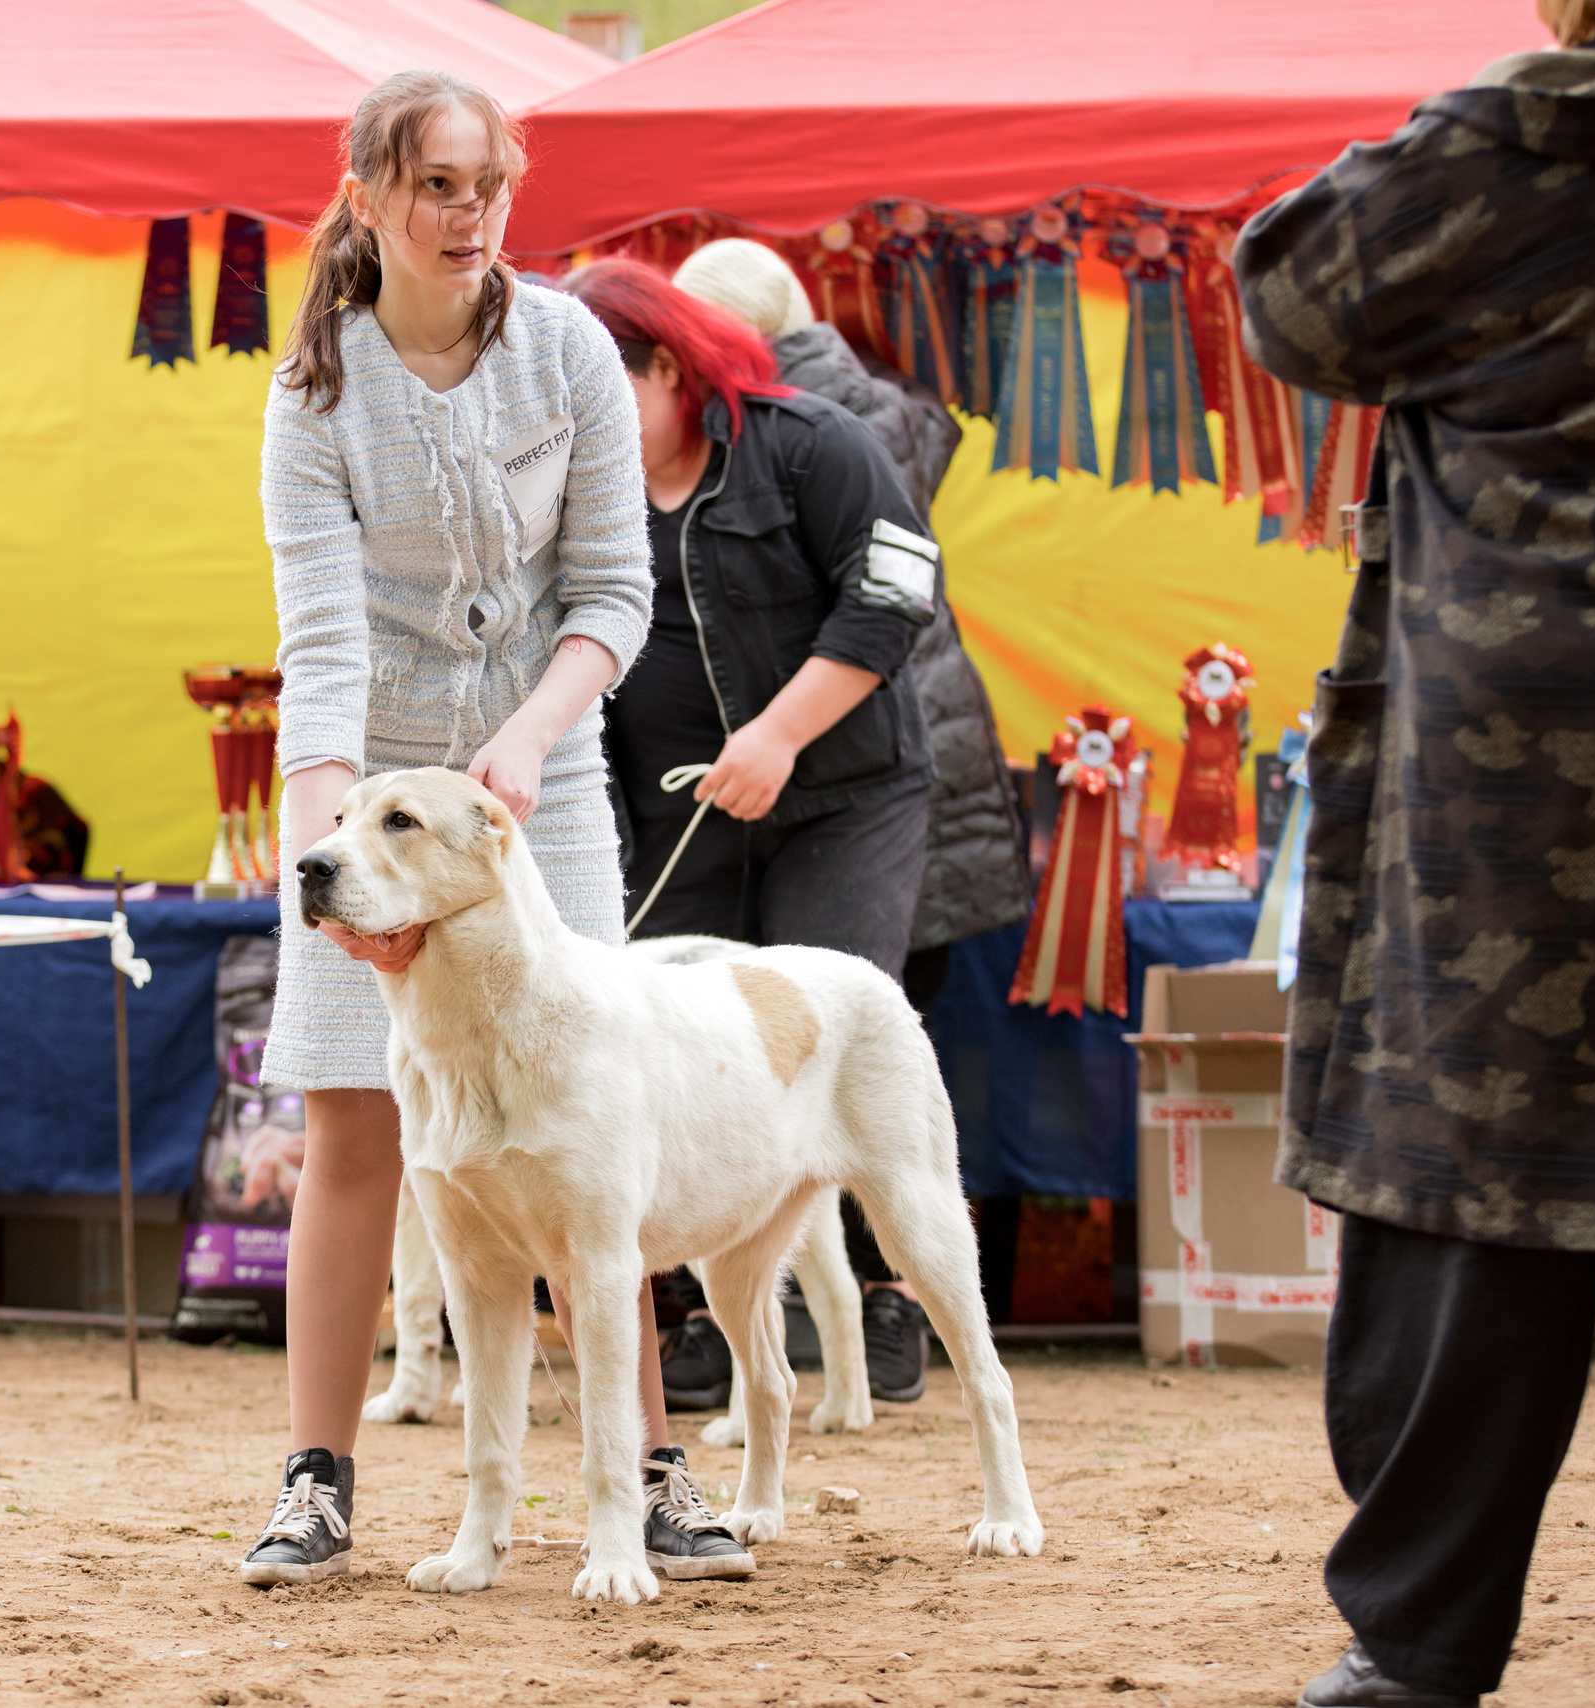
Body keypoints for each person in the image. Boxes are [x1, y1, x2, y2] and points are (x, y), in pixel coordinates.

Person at [1235, 4, 1595, 1704]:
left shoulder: (1502, 145)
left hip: (1522, 821)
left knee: (1474, 1208)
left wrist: (1529, 99)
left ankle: (1416, 1643)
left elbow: (1288, 292)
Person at [239, 71, 752, 1590]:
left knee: (596, 1127)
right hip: (362, 785)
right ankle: (319, 1481)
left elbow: (610, 596)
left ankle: (649, 1474)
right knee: (355, 1120)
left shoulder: (577, 351)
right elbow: (321, 643)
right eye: (441, 187)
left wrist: (525, 743)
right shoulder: (312, 393)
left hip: (546, 785)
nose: (472, 216)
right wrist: (337, 852)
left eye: (490, 186)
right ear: (369, 201)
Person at [555, 257, 947, 1410]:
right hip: (675, 821)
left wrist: (778, 736)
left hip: (846, 801)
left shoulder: (813, 442)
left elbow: (895, 591)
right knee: (671, 1056)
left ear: (668, 369)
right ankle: (696, 1323)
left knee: (831, 1037)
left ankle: (889, 1303)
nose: (579, 426)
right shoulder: (585, 488)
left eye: (601, 393)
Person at [669, 239, 1032, 1407]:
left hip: (869, 766)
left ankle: (882, 1308)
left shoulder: (830, 426)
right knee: (840, 1043)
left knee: (852, 1051)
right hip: (828, 765)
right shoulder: (893, 407)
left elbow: (883, 590)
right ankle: (816, 1317)